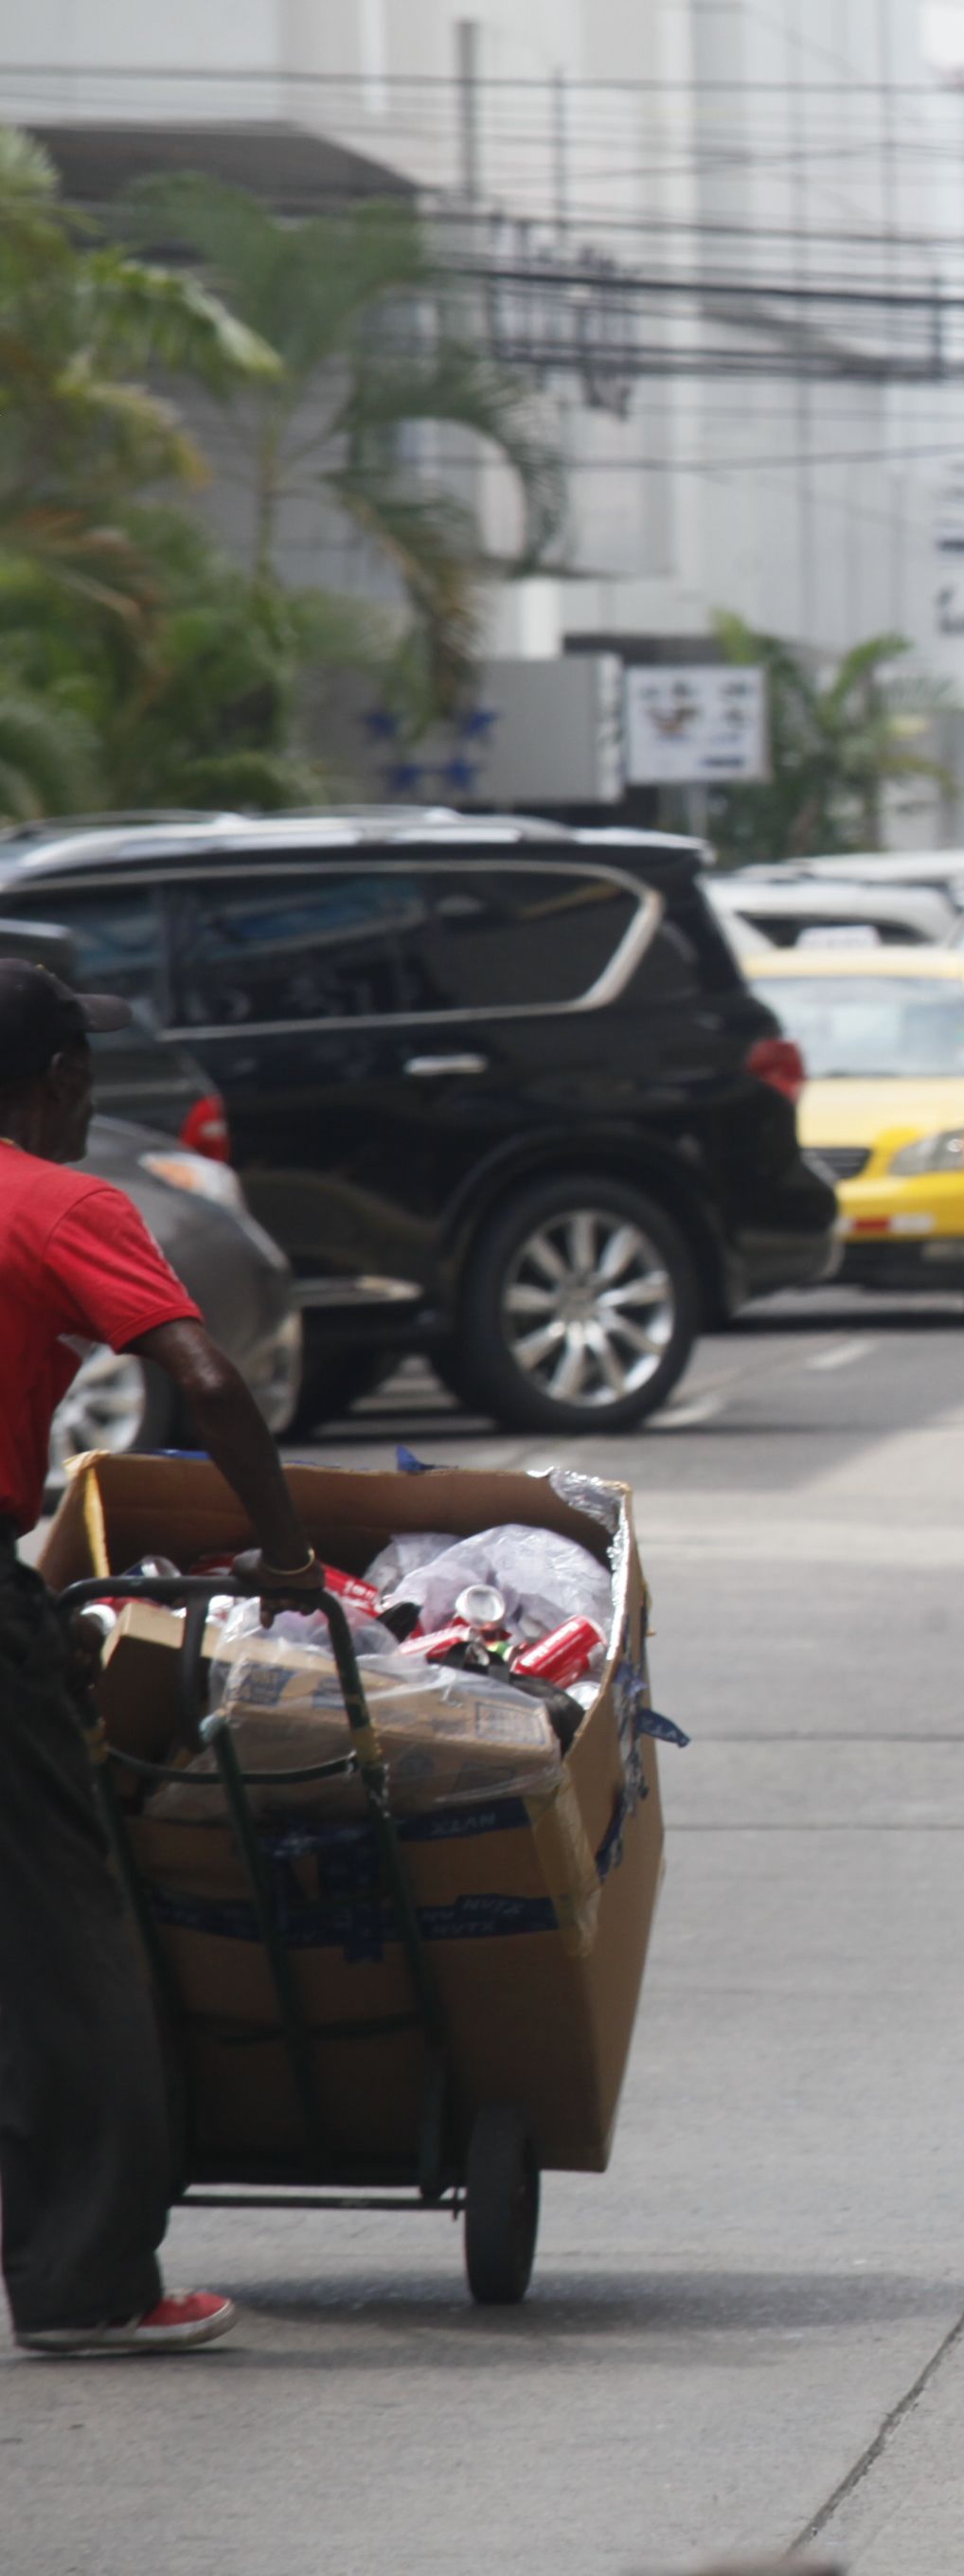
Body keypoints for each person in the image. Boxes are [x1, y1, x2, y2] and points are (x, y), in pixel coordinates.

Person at [0, 961, 312, 2358]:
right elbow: (209, 1379)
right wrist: (291, 1556)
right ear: (64, 1080)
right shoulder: (64, 1202)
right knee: (60, 1942)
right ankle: (90, 2284)